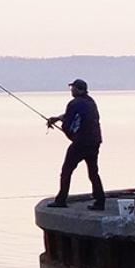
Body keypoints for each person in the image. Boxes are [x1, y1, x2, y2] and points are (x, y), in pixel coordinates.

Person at [46, 79, 105, 210]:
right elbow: (73, 115)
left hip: (81, 143)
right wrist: (57, 118)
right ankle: (100, 201)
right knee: (93, 172)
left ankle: (61, 200)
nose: (71, 90)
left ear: (79, 90)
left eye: (73, 88)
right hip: (94, 142)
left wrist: (69, 134)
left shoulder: (74, 103)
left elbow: (68, 124)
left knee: (66, 171)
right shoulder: (91, 102)